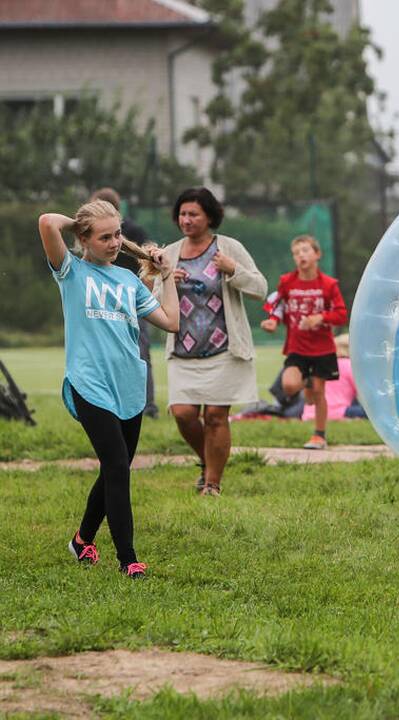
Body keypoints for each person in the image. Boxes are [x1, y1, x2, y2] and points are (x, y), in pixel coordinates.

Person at [39, 200, 179, 579]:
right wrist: (83, 223)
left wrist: (166, 277)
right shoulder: (71, 271)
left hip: (129, 387)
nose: (115, 242)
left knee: (114, 467)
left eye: (118, 234)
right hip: (90, 384)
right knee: (117, 465)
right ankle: (128, 559)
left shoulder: (128, 281)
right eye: (105, 237)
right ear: (84, 239)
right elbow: (47, 221)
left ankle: (83, 539)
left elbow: (170, 322)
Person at [154, 187, 267, 496]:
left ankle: (212, 484)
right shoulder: (170, 254)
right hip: (183, 351)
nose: (186, 220)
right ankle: (209, 460)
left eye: (194, 214)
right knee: (183, 413)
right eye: (182, 214)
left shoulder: (229, 247)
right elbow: (152, 303)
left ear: (209, 216)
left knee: (216, 417)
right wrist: (166, 283)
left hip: (225, 351)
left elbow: (260, 287)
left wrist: (234, 271)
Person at [261, 235, 348, 449]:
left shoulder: (329, 285)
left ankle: (319, 435)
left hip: (322, 349)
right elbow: (277, 305)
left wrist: (321, 318)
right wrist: (273, 321)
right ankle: (306, 381)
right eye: (296, 252)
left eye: (306, 250)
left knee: (317, 393)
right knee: (289, 386)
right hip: (297, 347)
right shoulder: (287, 282)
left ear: (317, 254)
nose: (301, 255)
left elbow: (341, 314)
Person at [89, 187, 160, 419]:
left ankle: (146, 405)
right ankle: (119, 403)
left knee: (139, 352)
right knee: (130, 353)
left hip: (127, 299)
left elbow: (146, 263)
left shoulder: (132, 230)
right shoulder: (93, 232)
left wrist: (146, 299)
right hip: (106, 301)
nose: (113, 243)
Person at [301, 333, 366, 422]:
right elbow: (364, 392)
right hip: (336, 412)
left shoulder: (323, 364)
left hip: (310, 413)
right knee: (370, 412)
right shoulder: (349, 366)